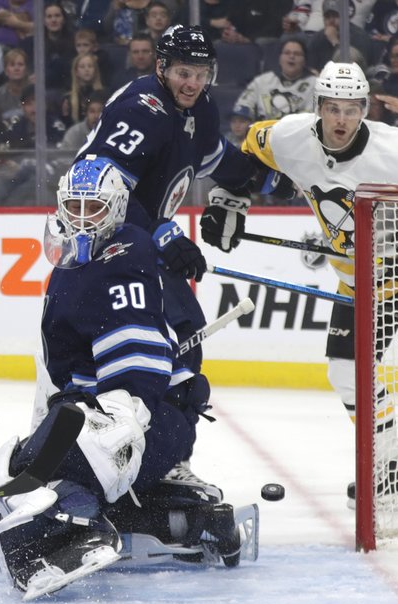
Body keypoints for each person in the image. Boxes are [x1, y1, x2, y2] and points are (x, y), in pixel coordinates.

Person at [0, 157, 247, 600]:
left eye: (95, 209)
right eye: (74, 206)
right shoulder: (85, 260)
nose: (82, 219)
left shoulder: (123, 259)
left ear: (118, 208)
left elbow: (133, 367)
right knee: (24, 466)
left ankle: (80, 525)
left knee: (34, 469)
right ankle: (179, 516)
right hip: (145, 420)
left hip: (143, 422)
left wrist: (121, 419)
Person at [202, 61, 398, 502]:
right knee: (345, 372)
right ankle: (393, 461)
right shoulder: (289, 136)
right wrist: (230, 198)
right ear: (318, 107)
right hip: (354, 283)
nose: (341, 119)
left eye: (352, 109)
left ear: (365, 109)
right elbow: (251, 154)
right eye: (333, 108)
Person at [71, 25, 283, 490]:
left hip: (143, 248)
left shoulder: (200, 105)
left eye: (201, 73)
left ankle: (157, 458)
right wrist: (166, 234)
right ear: (162, 68)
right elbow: (100, 188)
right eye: (183, 72)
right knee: (148, 362)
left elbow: (216, 159)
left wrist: (266, 181)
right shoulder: (141, 107)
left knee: (184, 350)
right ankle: (104, 459)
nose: (192, 82)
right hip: (104, 252)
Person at [232, 38, 316, 121]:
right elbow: (243, 107)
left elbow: (311, 118)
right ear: (280, 59)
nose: (291, 56)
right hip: (263, 131)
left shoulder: (315, 84)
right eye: (287, 53)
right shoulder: (262, 81)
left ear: (304, 60)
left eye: (297, 54)